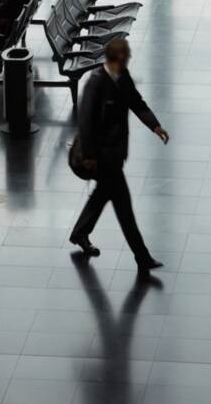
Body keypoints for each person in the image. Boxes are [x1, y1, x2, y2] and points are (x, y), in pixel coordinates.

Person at [69, 38, 170, 271]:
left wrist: (155, 126)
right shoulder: (96, 84)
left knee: (102, 194)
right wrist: (91, 156)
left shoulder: (122, 77)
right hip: (102, 158)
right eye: (127, 54)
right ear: (119, 58)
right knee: (124, 208)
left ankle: (80, 232)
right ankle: (142, 257)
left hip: (114, 154)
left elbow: (137, 103)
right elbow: (86, 124)